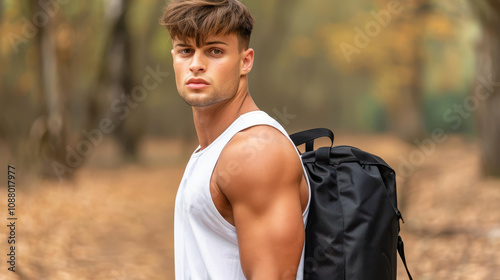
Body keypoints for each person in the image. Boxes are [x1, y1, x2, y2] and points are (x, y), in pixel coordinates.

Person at [161, 0, 310, 279]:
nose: (196, 65)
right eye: (185, 51)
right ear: (174, 57)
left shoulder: (257, 152)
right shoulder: (214, 149)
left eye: (214, 51)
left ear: (245, 61)